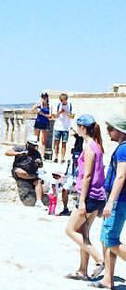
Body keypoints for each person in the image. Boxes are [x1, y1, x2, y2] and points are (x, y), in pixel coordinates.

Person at [63, 115, 106, 281]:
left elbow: (87, 175)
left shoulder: (89, 147)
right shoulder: (97, 146)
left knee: (70, 230)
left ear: (82, 128)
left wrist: (81, 201)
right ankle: (82, 270)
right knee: (83, 232)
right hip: (97, 196)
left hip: (89, 196)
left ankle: (99, 259)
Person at [96, 115, 126, 290]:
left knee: (110, 240)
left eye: (110, 129)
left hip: (119, 200)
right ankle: (108, 278)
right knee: (105, 237)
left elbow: (121, 176)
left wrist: (110, 202)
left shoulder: (123, 150)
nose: (108, 132)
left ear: (120, 131)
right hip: (118, 200)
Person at [5, 135, 44, 206]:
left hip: (31, 172)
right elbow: (7, 152)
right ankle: (31, 177)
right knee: (19, 172)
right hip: (19, 170)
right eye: (32, 145)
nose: (33, 147)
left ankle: (39, 201)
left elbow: (41, 165)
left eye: (34, 145)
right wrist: (18, 153)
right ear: (28, 143)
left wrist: (38, 163)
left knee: (38, 182)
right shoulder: (20, 148)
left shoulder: (36, 153)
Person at [53, 93, 73, 162]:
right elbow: (55, 116)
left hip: (65, 127)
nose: (62, 102)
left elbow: (72, 116)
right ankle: (56, 157)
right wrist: (60, 112)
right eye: (61, 100)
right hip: (58, 127)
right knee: (56, 143)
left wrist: (66, 113)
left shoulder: (70, 105)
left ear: (66, 100)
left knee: (64, 143)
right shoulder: (58, 105)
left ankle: (62, 158)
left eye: (63, 100)